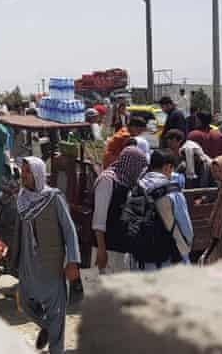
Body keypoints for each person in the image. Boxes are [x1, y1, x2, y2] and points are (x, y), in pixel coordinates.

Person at [10, 157, 80, 354]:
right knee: (25, 303)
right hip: (28, 266)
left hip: (52, 266)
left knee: (57, 314)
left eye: (27, 171)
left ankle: (56, 348)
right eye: (22, 171)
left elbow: (69, 230)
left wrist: (73, 261)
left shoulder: (54, 198)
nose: (23, 175)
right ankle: (47, 327)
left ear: (38, 174)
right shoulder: (22, 199)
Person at [129, 150, 193, 270]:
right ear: (167, 167)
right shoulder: (172, 191)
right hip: (169, 261)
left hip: (140, 261)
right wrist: (185, 249)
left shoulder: (135, 189)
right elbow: (186, 229)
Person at [92, 146, 148, 274]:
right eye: (139, 168)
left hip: (120, 249)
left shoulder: (127, 183)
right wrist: (101, 249)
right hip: (106, 249)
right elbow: (99, 219)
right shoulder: (107, 180)